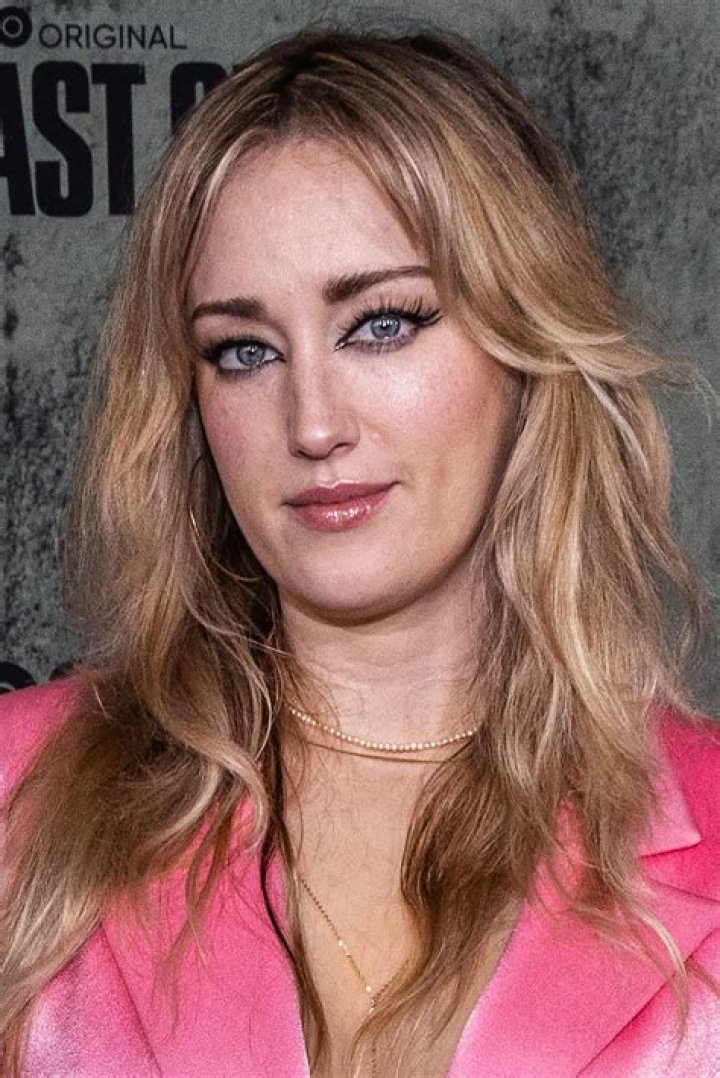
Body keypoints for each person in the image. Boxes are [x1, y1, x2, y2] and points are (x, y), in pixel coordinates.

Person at [1, 25, 718, 1078]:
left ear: (527, 348)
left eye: (381, 324)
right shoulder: (17, 790)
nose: (312, 422)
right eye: (244, 350)